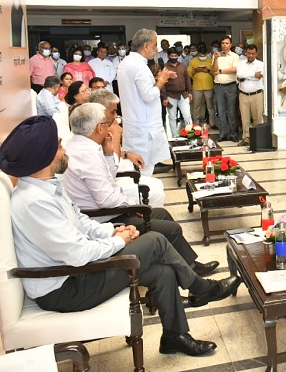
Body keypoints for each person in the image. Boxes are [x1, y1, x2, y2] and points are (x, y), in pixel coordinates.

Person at [1, 116, 241, 356]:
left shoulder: (48, 187)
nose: (64, 150)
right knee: (156, 240)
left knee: (163, 272)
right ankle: (201, 288)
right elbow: (76, 254)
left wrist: (113, 230)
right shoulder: (35, 203)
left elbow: (81, 221)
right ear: (43, 157)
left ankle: (174, 337)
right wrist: (118, 241)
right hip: (65, 289)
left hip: (76, 274)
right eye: (59, 146)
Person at [64, 103, 218, 277]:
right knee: (171, 229)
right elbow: (107, 200)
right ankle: (188, 272)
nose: (110, 127)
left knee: (162, 214)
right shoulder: (87, 155)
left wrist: (108, 153)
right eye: (107, 123)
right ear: (99, 128)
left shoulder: (80, 146)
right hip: (105, 218)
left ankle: (188, 265)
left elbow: (109, 177)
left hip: (107, 211)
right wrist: (132, 206)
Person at [118, 28, 177, 176]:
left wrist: (160, 77)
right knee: (144, 170)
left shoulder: (127, 62)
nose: (156, 49)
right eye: (155, 45)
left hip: (136, 123)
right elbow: (149, 95)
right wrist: (161, 80)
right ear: (145, 46)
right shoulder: (138, 66)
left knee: (136, 170)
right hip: (144, 128)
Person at [210, 37, 240, 140]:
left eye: (226, 43)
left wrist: (221, 71)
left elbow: (235, 69)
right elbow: (214, 70)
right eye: (223, 43)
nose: (224, 45)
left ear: (230, 45)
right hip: (218, 86)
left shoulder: (235, 56)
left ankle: (233, 134)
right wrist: (216, 58)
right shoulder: (217, 55)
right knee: (221, 111)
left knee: (231, 111)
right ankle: (222, 134)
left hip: (231, 86)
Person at [236, 44, 265, 147]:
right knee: (245, 118)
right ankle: (246, 138)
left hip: (256, 94)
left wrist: (246, 75)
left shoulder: (261, 64)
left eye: (253, 53)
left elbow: (259, 76)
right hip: (243, 94)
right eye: (249, 53)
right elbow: (239, 75)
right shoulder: (241, 64)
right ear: (246, 53)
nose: (251, 55)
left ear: (256, 53)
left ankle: (257, 139)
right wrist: (253, 74)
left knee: (258, 117)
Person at [162, 47, 193, 140]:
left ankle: (190, 135)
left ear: (177, 56)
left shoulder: (182, 65)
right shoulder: (165, 67)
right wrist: (164, 97)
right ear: (168, 56)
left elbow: (187, 79)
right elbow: (162, 83)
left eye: (175, 56)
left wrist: (190, 91)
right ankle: (174, 136)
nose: (173, 57)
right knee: (172, 117)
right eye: (171, 56)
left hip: (183, 95)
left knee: (187, 115)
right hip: (170, 96)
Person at [187, 43, 216, 129]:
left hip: (209, 86)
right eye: (200, 55)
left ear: (206, 53)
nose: (202, 56)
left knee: (210, 106)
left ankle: (212, 123)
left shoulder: (210, 60)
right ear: (198, 53)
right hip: (197, 87)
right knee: (196, 106)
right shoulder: (193, 61)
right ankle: (196, 123)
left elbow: (215, 73)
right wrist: (195, 70)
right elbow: (188, 74)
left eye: (204, 55)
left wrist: (208, 71)